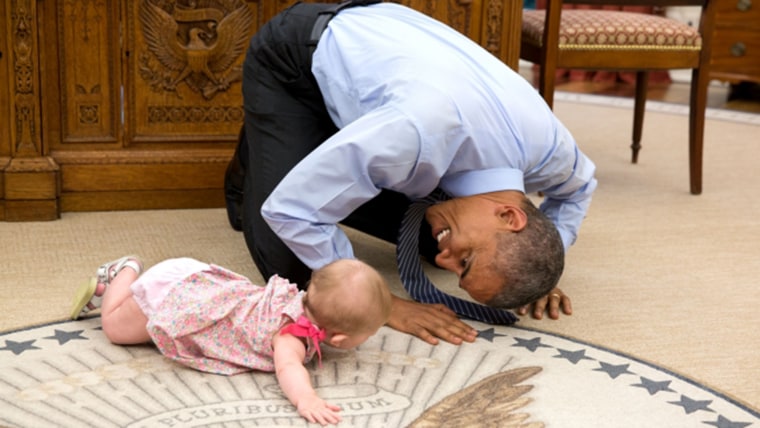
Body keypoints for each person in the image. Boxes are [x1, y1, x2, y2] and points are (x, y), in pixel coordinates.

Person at [225, 1, 597, 346]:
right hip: (296, 60)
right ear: (508, 215)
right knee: (299, 273)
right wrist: (382, 303)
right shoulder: (417, 133)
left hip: (389, 88)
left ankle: (307, 149)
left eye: (458, 270)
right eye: (464, 262)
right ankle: (265, 145)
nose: (442, 263)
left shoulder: (552, 151)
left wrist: (540, 268)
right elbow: (291, 209)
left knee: (424, 233)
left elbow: (579, 190)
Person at [70, 255, 392, 426]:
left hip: (200, 281)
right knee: (113, 327)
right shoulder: (290, 335)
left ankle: (130, 279)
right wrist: (306, 399)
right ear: (338, 337)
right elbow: (289, 369)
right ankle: (123, 272)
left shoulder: (299, 298)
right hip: (175, 298)